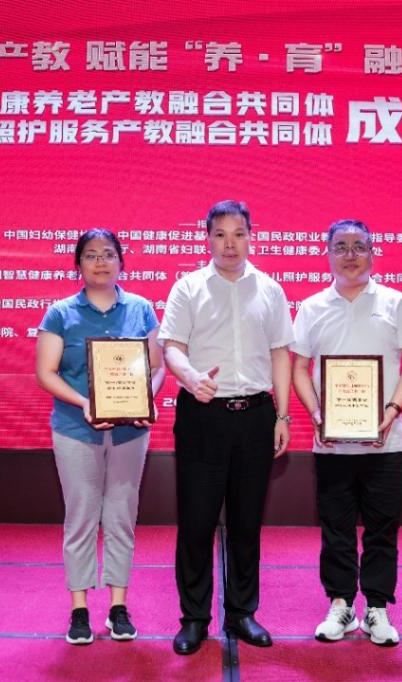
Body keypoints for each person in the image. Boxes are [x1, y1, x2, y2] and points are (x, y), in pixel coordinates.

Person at [159, 200, 294, 655]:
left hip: (255, 415)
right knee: (196, 523)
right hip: (203, 415)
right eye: (220, 234)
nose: (229, 244)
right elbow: (171, 347)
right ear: (207, 238)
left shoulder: (270, 290)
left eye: (238, 234)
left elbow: (280, 353)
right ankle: (195, 618)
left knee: (246, 522)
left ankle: (241, 612)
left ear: (251, 236)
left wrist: (282, 415)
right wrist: (189, 376)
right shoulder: (188, 287)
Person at [291, 219, 402, 647]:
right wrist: (317, 415)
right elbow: (299, 367)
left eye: (359, 246)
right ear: (328, 254)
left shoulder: (395, 302)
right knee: (336, 529)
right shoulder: (312, 307)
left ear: (372, 252)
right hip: (332, 444)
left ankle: (377, 608)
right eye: (341, 246)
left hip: (385, 440)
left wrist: (392, 410)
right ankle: (341, 604)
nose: (350, 255)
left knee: (383, 529)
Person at [35, 229, 165, 645]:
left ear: (121, 262)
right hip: (76, 430)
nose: (101, 262)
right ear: (78, 264)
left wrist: (146, 399)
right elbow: (45, 372)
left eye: (108, 254)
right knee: (81, 517)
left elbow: (157, 367)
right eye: (91, 255)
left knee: (122, 516)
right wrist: (84, 403)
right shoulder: (60, 313)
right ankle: (79, 609)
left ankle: (118, 607)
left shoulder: (141, 309)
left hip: (130, 433)